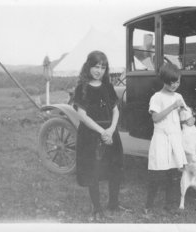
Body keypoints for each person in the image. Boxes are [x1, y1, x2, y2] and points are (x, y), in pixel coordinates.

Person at [73, 51, 124, 222]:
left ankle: (114, 204)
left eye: (103, 67)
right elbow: (82, 115)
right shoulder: (82, 88)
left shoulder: (108, 87)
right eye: (96, 66)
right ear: (88, 66)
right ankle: (97, 208)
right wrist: (102, 132)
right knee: (93, 170)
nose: (99, 70)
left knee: (114, 168)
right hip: (91, 135)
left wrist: (110, 130)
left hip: (110, 132)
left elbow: (115, 110)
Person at [144, 63, 188, 214]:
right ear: (164, 80)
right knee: (157, 173)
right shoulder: (157, 97)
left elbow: (184, 119)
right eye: (172, 82)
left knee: (173, 174)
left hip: (175, 139)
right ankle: (148, 206)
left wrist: (184, 111)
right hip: (161, 139)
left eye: (177, 82)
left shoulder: (179, 96)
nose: (175, 85)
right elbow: (155, 118)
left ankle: (169, 205)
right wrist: (173, 107)